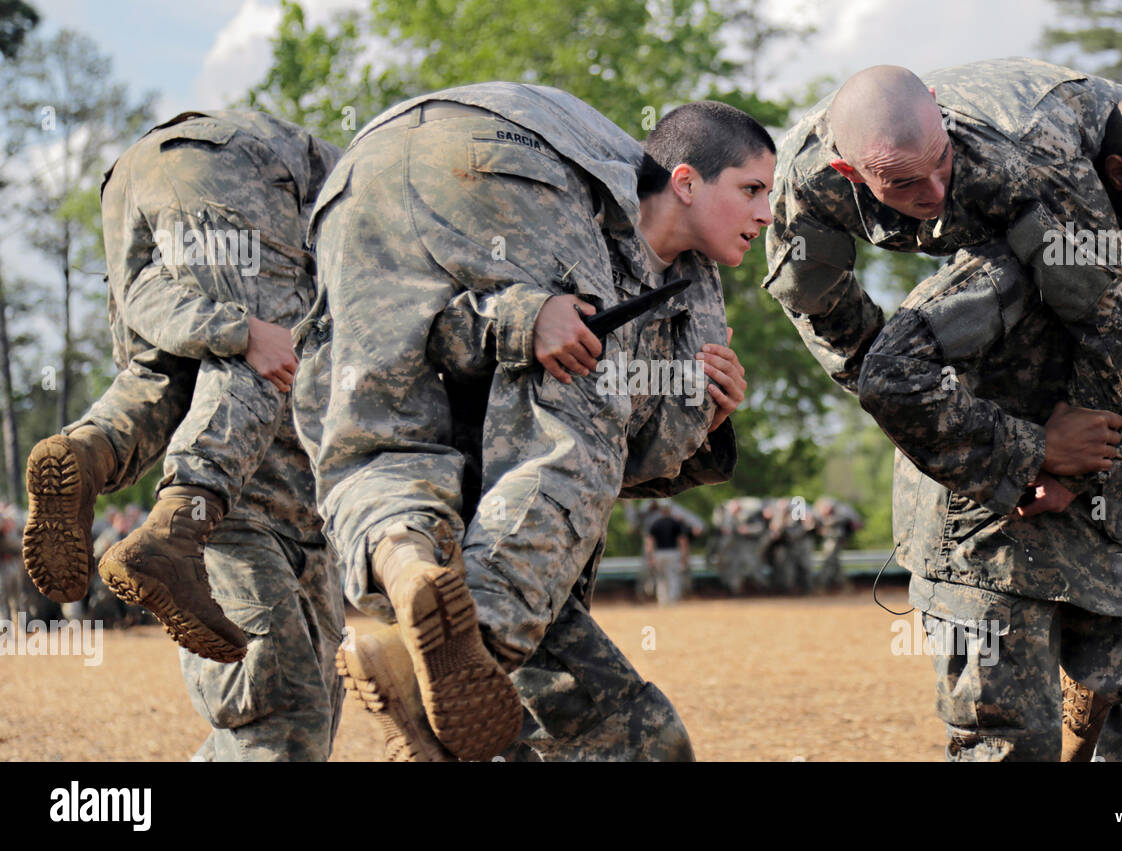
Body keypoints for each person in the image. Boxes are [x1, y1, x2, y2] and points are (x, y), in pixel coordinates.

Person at [295, 88, 768, 760]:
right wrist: (533, 317)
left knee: (379, 435)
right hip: (495, 145)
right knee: (577, 400)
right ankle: (469, 642)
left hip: (355, 173)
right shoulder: (589, 205)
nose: (767, 212)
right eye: (752, 189)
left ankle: (404, 562)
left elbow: (443, 339)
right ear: (686, 183)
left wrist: (705, 414)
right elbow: (590, 440)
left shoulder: (686, 291)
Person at [764, 57, 1122, 649]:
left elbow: (1109, 307)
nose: (935, 193)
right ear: (849, 169)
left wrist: (1077, 467)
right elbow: (829, 318)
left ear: (942, 118)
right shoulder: (803, 185)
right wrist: (954, 429)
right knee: (1001, 368)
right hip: (1057, 209)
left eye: (941, 166)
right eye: (904, 182)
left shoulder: (1025, 158)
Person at [858, 84, 1122, 761]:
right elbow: (889, 373)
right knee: (1013, 746)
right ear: (1118, 175)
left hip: (1089, 524)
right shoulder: (1019, 257)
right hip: (987, 533)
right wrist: (1029, 453)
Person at [30, 110, 345, 760]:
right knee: (263, 339)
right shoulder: (378, 197)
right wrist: (244, 330)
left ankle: (87, 452)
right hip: (227, 161)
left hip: (132, 174)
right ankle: (181, 519)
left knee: (163, 368)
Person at [643, 502, 691, 605]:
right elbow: (682, 541)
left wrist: (650, 556)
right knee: (673, 576)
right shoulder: (675, 523)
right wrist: (684, 555)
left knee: (661, 577)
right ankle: (673, 600)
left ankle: (662, 600)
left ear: (660, 511)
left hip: (659, 553)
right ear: (670, 510)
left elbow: (650, 542)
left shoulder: (655, 523)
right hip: (673, 553)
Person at [812, 496, 862, 591]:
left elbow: (852, 523)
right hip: (832, 539)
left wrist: (828, 522)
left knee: (829, 561)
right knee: (834, 562)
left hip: (835, 540)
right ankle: (846, 586)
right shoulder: (835, 512)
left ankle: (821, 586)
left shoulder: (841, 512)